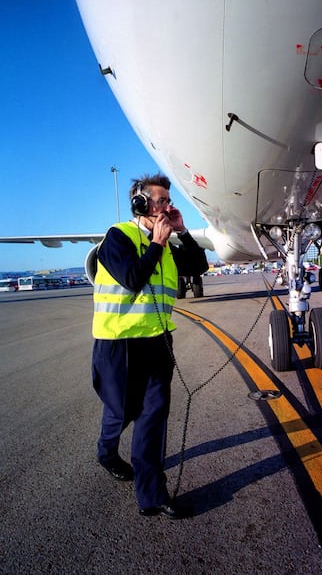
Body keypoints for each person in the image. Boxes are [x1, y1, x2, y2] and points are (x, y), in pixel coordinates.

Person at [91, 173, 208, 519]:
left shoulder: (170, 244)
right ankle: (106, 452)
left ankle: (152, 496)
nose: (166, 207)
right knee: (121, 411)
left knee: (152, 419)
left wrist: (183, 232)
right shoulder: (117, 238)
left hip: (157, 343)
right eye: (160, 201)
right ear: (140, 204)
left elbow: (198, 266)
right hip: (119, 345)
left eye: (168, 202)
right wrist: (156, 244)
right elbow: (131, 280)